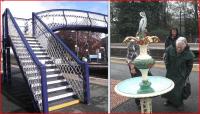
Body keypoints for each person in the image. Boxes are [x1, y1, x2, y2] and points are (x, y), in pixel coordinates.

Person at [162, 37, 194, 110]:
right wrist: (167, 65)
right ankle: (169, 100)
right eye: (177, 47)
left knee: (178, 89)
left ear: (185, 45)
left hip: (181, 74)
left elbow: (190, 66)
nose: (178, 49)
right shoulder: (170, 48)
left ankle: (179, 103)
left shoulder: (189, 54)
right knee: (169, 86)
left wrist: (186, 75)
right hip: (171, 72)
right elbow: (166, 56)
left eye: (180, 48)